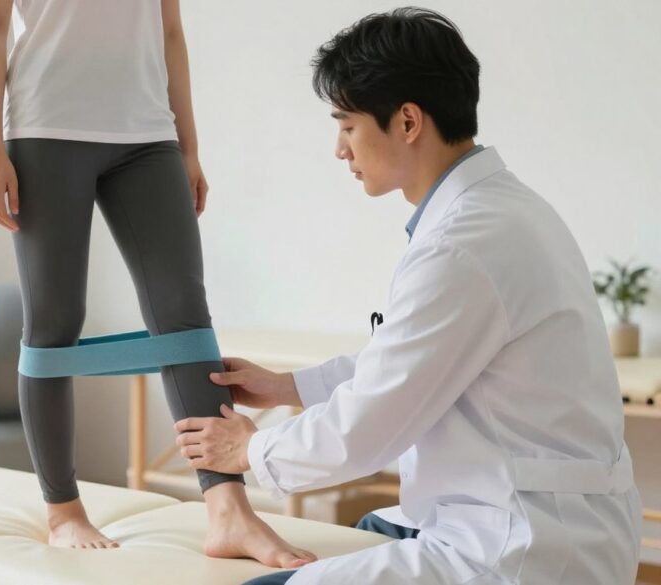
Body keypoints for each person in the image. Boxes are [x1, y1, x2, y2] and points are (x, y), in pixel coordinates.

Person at [174, 8, 642, 584]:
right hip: (534, 509)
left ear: (408, 121)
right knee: (370, 526)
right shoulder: (503, 210)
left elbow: (371, 424)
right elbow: (410, 362)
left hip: (524, 541)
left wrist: (250, 450)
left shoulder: (462, 244)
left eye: (347, 126)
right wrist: (288, 387)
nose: (340, 149)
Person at [0, 0, 315, 567]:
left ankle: (228, 510)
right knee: (54, 323)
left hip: (148, 134)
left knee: (184, 317)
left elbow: (170, 30)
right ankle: (63, 512)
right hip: (44, 128)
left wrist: (189, 147)